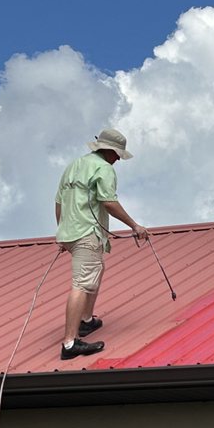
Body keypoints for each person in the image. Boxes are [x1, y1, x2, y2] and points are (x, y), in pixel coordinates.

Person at [55, 128, 149, 359]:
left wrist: (63, 232)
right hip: (87, 231)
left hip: (70, 232)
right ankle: (70, 343)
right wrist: (135, 226)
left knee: (96, 270)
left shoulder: (74, 165)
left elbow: (59, 202)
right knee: (82, 283)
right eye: (117, 154)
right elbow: (108, 202)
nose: (118, 159)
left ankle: (86, 320)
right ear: (109, 151)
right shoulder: (104, 169)